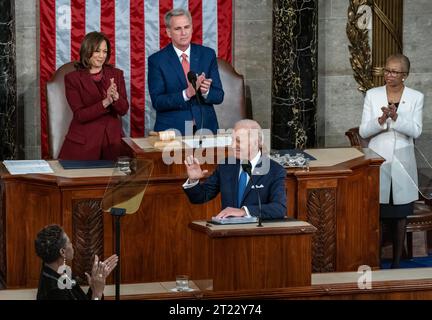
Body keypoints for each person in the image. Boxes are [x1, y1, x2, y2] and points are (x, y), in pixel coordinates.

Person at [359, 53, 423, 268]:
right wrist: (380, 121)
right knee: (378, 214)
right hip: (379, 160)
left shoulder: (415, 97)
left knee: (400, 215)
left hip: (403, 162)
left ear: (404, 75)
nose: (388, 75)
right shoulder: (372, 94)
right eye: (387, 70)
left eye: (394, 71)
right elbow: (363, 131)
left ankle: (396, 263)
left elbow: (416, 131)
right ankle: (374, 261)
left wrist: (396, 118)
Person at [183, 119, 287, 219]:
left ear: (256, 142)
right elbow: (200, 197)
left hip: (257, 233)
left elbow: (279, 209)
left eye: (238, 141)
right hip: (228, 233)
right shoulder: (226, 165)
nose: (232, 145)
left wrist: (244, 211)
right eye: (232, 140)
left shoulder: (275, 170)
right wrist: (193, 180)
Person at [148, 8, 224, 135]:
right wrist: (186, 94)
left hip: (206, 128)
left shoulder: (207, 54)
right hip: (173, 131)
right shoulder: (157, 60)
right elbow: (158, 102)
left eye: (187, 27)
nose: (183, 33)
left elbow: (219, 95)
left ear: (192, 28)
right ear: (168, 32)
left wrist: (206, 92)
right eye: (178, 29)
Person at [58, 31, 129, 160]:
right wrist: (106, 101)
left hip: (112, 142)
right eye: (97, 51)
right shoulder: (72, 79)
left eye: (105, 51)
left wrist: (116, 98)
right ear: (87, 50)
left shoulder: (116, 74)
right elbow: (80, 115)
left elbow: (124, 110)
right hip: (85, 143)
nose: (101, 56)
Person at [34, 224, 118, 300]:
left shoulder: (59, 272)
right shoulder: (55, 292)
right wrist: (97, 293)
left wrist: (93, 288)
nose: (72, 245)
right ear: (62, 252)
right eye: (69, 242)